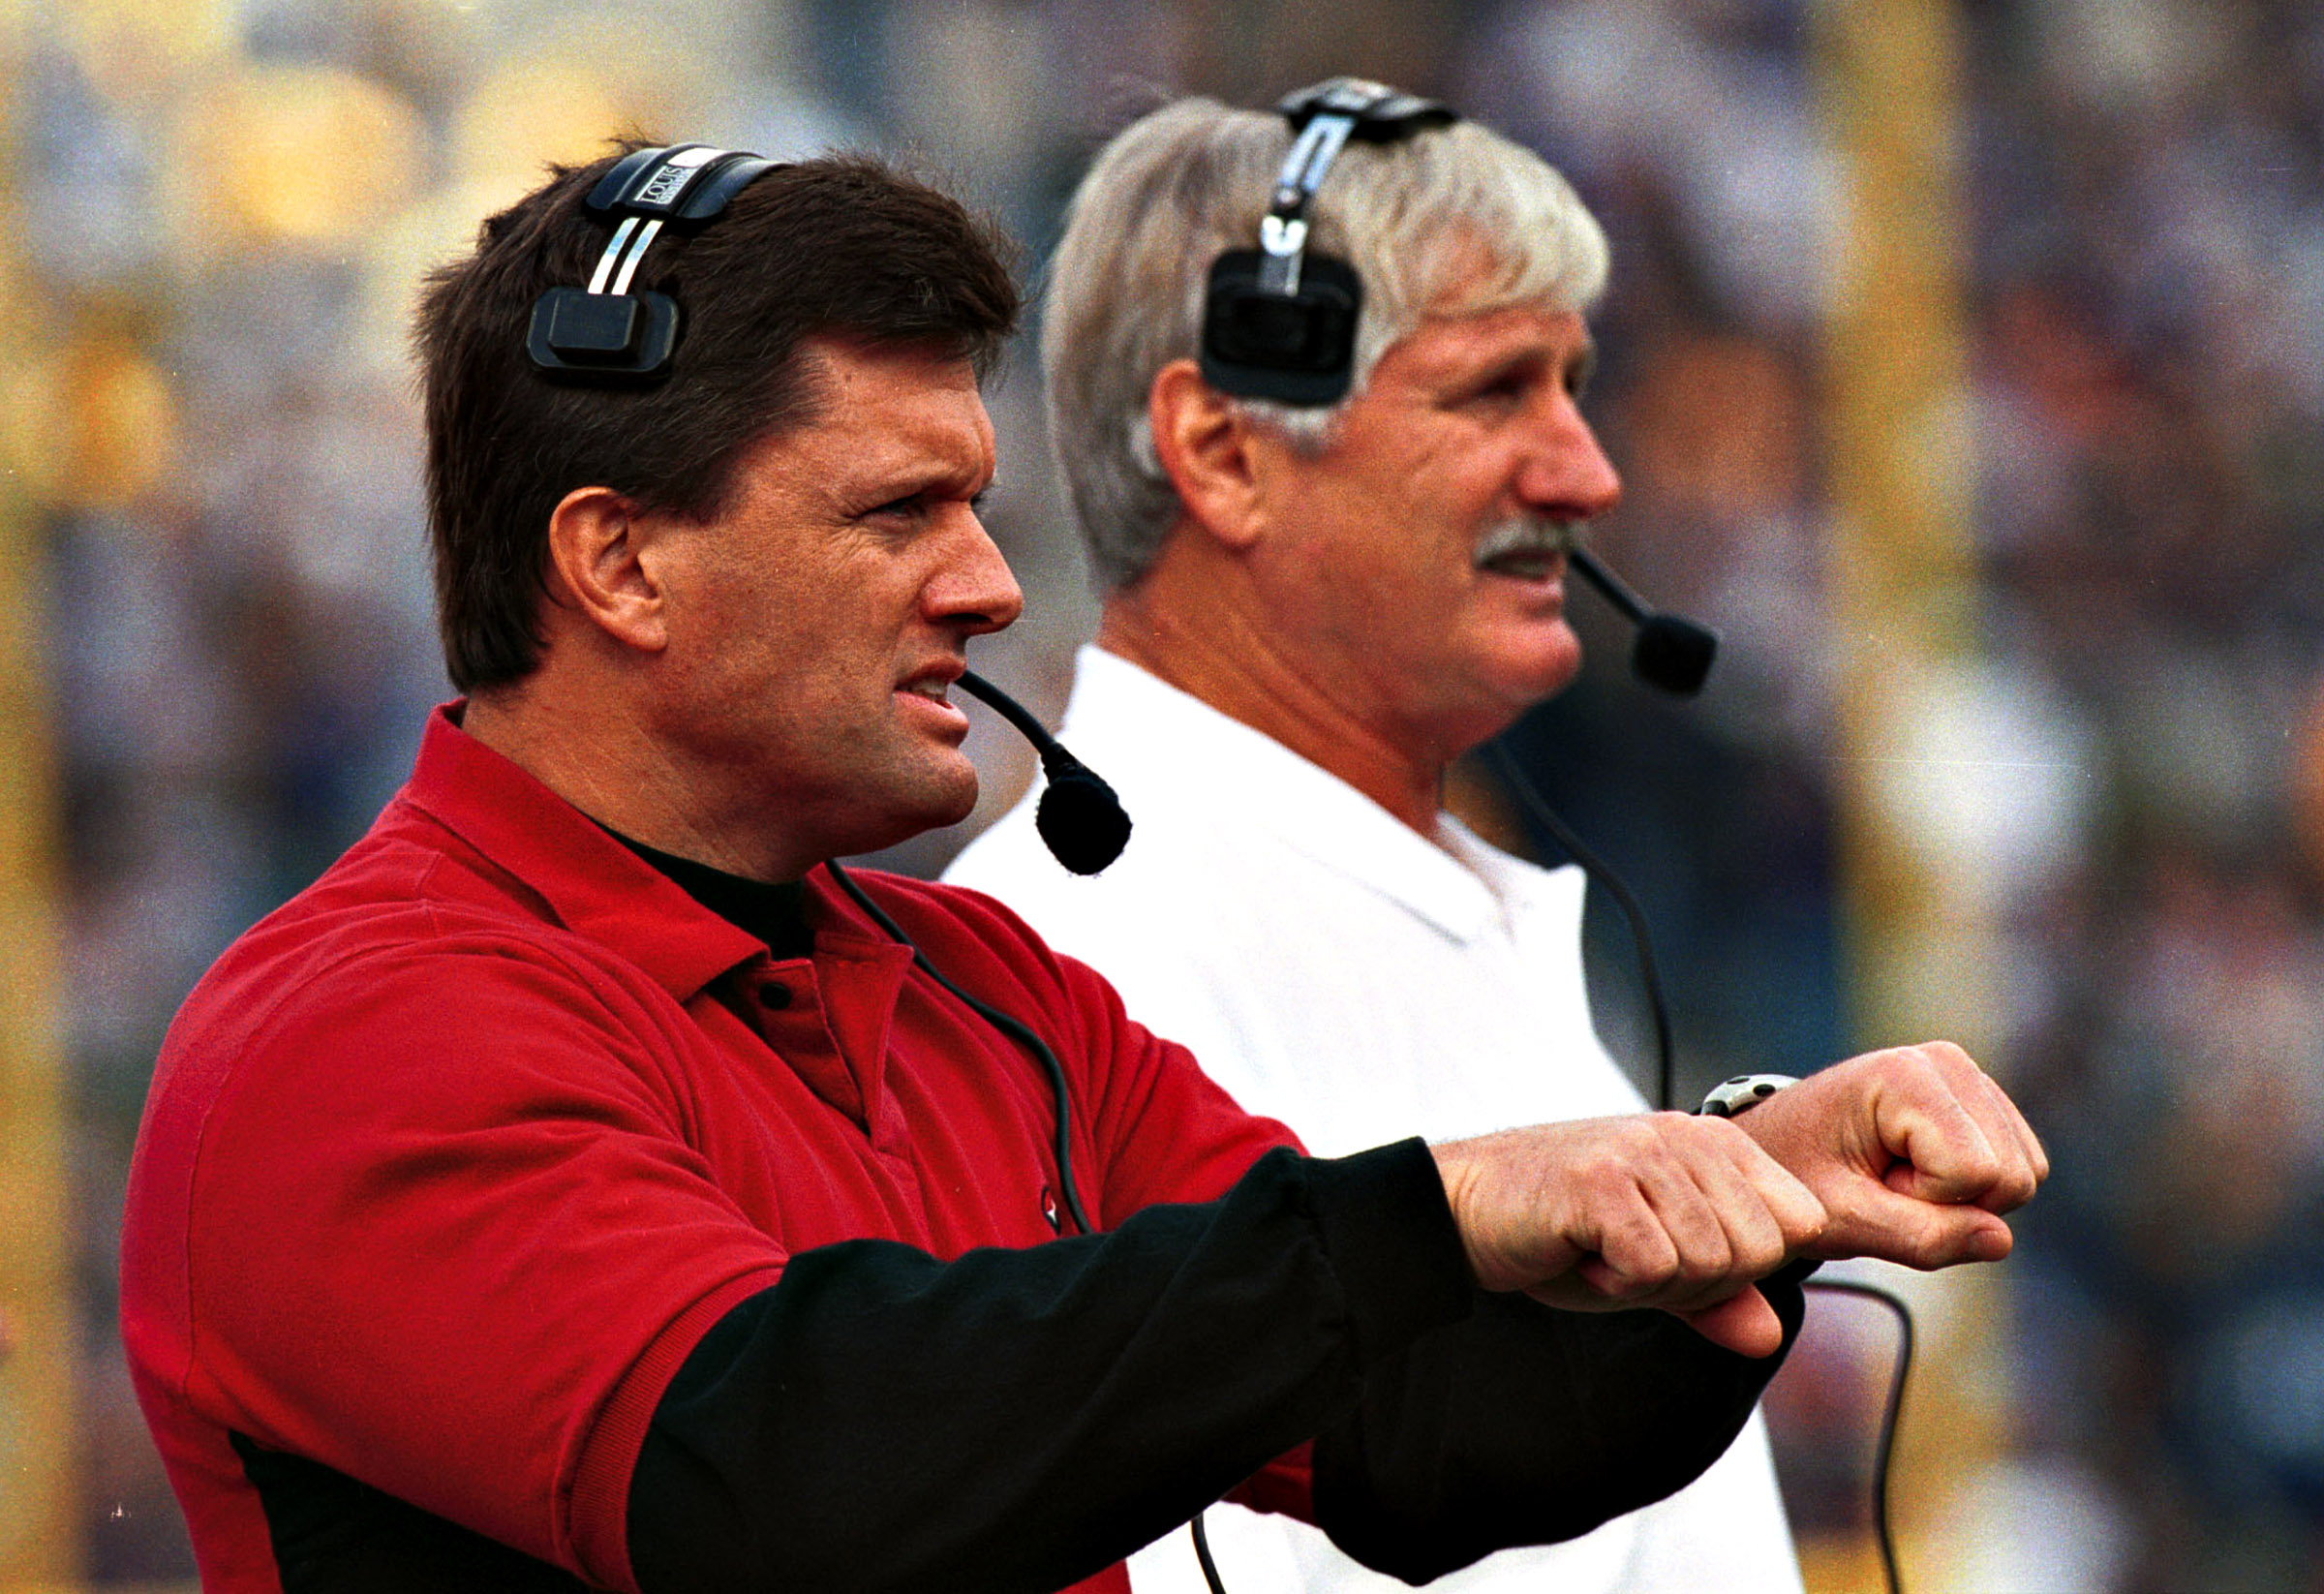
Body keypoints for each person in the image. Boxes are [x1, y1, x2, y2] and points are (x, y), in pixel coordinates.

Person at [121, 141, 2042, 1594]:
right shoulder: (349, 1036)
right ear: (617, 560)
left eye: (975, 499)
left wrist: (1750, 1197)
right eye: (897, 514)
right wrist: (1441, 1204)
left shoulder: (992, 992)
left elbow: (1417, 1426)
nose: (989, 583)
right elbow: (782, 1471)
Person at [944, 87, 2026, 1594]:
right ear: (1222, 444)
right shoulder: (1064, 970)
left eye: (1576, 385)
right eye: (1495, 391)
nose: (1586, 475)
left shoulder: (1428, 904)